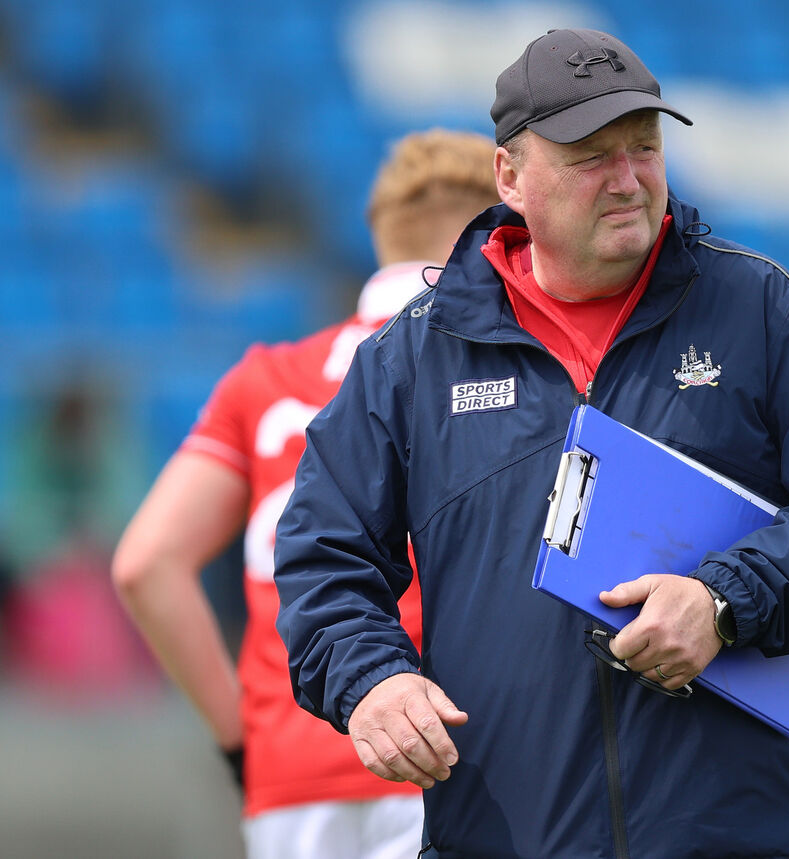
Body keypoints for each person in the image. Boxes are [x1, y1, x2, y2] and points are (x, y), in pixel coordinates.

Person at [274, 28, 789, 859]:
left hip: (753, 836)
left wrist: (726, 600)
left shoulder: (771, 315)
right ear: (509, 175)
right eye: (591, 156)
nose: (627, 179)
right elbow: (324, 558)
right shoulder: (411, 359)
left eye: (644, 149)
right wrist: (372, 680)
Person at [111, 129, 500, 859]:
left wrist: (240, 740)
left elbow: (145, 564)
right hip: (441, 752)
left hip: (290, 782)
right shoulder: (488, 370)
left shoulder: (264, 377)